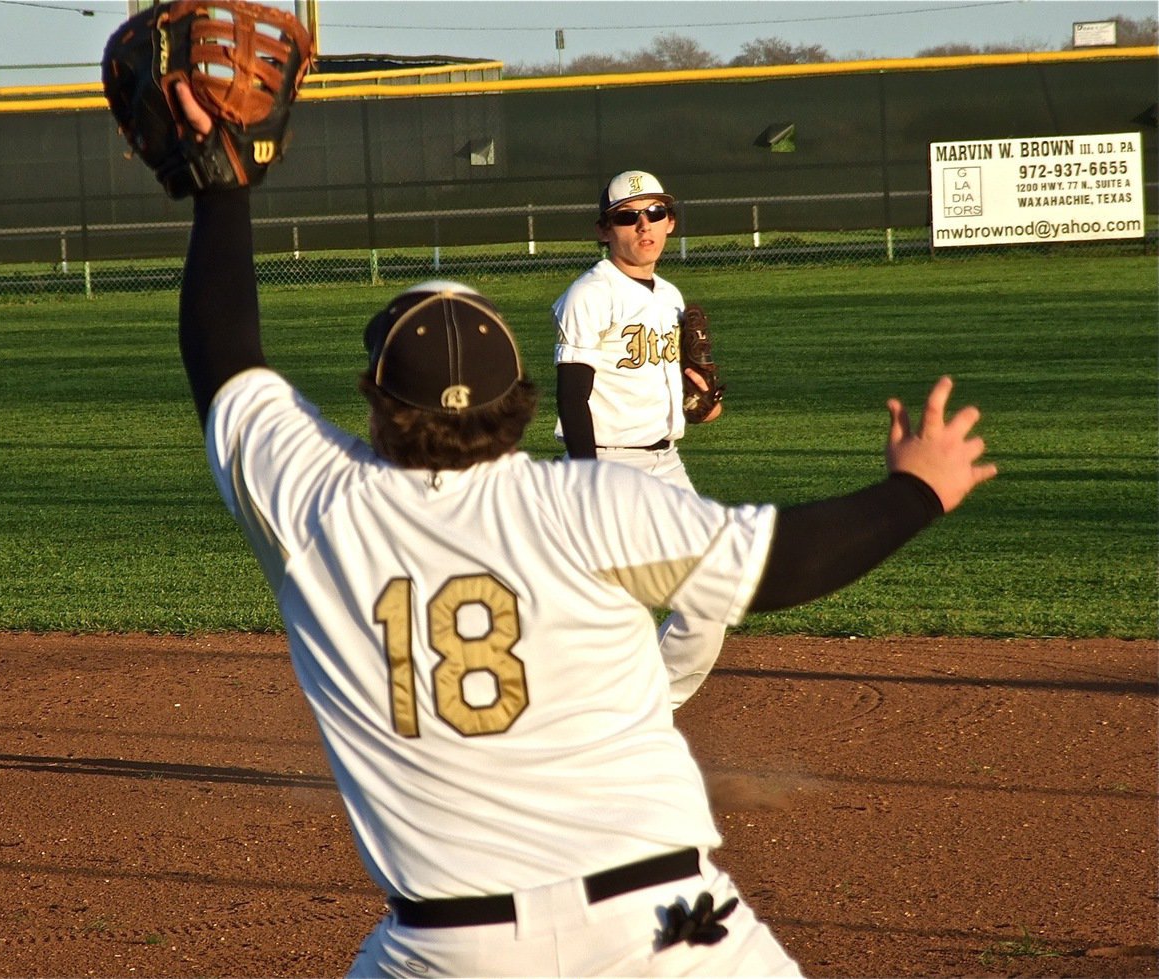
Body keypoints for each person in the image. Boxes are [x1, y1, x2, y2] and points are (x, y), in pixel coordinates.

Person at [174, 85, 996, 977]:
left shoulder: (322, 511)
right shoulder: (595, 506)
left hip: (451, 948)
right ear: (521, 402)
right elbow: (787, 559)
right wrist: (919, 488)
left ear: (374, 400)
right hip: (673, 931)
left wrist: (224, 191)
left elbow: (226, 361)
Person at [552, 170, 725, 705]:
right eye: (628, 216)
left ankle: (648, 712)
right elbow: (571, 392)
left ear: (670, 222)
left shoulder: (669, 295)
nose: (642, 225)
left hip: (666, 465)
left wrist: (701, 399)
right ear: (605, 230)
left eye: (653, 213)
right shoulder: (590, 294)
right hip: (609, 467)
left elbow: (660, 377)